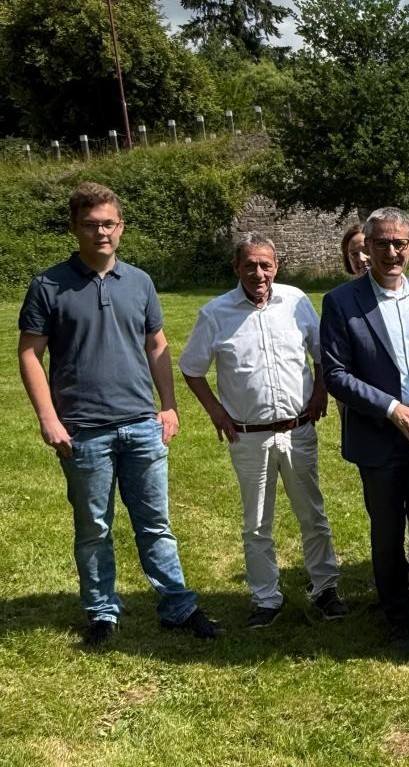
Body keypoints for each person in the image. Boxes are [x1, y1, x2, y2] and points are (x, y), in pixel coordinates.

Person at [17, 181, 222, 645]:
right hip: (83, 430)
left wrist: (168, 405)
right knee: (94, 527)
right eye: (90, 225)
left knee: (156, 524)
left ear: (121, 227)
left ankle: (178, 606)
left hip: (141, 424)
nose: (101, 233)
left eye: (108, 223)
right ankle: (102, 613)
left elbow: (157, 344)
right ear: (75, 229)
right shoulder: (48, 285)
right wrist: (48, 418)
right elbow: (30, 353)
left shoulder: (141, 282)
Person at [179, 234, 347, 628]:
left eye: (266, 265)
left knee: (313, 515)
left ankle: (325, 589)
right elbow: (191, 368)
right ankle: (266, 598)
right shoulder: (215, 313)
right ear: (236, 268)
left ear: (276, 266)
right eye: (250, 265)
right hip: (248, 435)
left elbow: (321, 352)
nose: (259, 273)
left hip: (298, 430)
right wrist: (216, 411)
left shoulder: (296, 301)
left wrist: (320, 391)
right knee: (257, 522)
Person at [320, 207, 409, 649]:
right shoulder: (342, 301)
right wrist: (391, 408)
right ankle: (399, 618)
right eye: (382, 243)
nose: (391, 252)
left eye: (400, 243)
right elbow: (336, 374)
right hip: (381, 433)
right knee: (387, 530)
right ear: (367, 248)